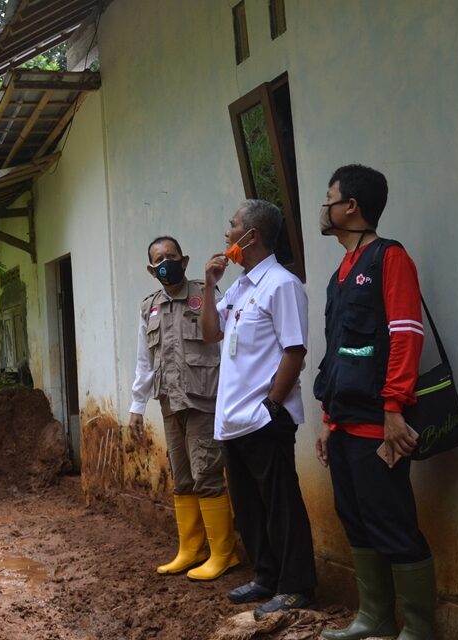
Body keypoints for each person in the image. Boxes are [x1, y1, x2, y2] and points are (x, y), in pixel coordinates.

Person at [313, 165, 436, 640]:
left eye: (329, 198)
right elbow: (339, 351)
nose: (324, 208)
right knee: (356, 519)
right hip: (344, 423)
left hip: (378, 423)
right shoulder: (339, 273)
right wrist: (326, 419)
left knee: (392, 521)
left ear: (352, 207)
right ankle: (375, 617)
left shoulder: (391, 258)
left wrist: (393, 407)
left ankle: (420, 629)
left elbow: (407, 334)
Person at [199, 200, 317, 618]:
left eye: (232, 226)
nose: (226, 234)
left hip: (264, 417)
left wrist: (271, 406)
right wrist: (211, 284)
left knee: (281, 503)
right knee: (250, 506)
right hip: (233, 420)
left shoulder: (282, 284)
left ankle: (296, 585)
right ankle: (266, 575)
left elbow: (295, 350)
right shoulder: (241, 285)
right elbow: (211, 333)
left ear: (252, 236)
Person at [130, 236, 241, 580]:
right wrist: (137, 405)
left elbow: (229, 342)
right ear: (152, 269)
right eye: (160, 259)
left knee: (206, 473)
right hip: (170, 402)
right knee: (182, 477)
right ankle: (191, 549)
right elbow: (144, 360)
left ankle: (224, 553)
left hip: (205, 400)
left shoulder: (207, 294)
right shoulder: (149, 307)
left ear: (185, 259)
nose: (167, 262)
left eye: (172, 256)